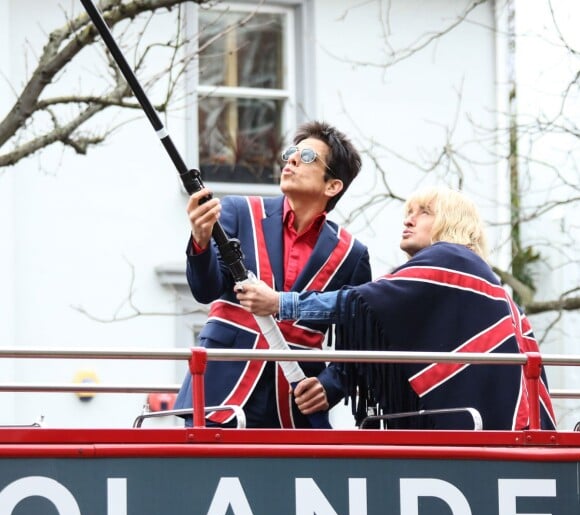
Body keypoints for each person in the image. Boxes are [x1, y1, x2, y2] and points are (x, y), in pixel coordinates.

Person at [236, 186, 557, 430]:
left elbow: (361, 305)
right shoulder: (471, 276)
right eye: (409, 211)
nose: (409, 218)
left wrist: (280, 302)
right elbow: (388, 336)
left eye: (424, 212)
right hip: (500, 422)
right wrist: (329, 385)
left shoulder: (451, 259)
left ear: (451, 221)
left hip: (482, 428)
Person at [174, 121, 372, 428]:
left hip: (295, 406)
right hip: (221, 392)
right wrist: (200, 241)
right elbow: (205, 289)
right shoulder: (239, 211)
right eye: (291, 153)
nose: (291, 160)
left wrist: (330, 386)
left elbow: (362, 342)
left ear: (332, 185)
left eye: (307, 158)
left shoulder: (352, 254)